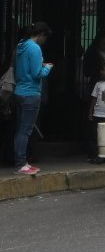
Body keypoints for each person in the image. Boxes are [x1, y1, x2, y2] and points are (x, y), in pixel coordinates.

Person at [13, 22, 53, 175]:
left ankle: (21, 162)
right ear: (41, 34)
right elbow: (37, 74)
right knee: (25, 131)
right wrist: (47, 67)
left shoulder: (21, 45)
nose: (45, 41)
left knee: (20, 130)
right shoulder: (35, 48)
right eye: (45, 37)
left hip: (19, 91)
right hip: (31, 93)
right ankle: (21, 164)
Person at [86, 61, 105, 164]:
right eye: (101, 70)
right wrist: (91, 111)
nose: (101, 72)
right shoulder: (98, 84)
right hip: (98, 114)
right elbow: (94, 98)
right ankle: (95, 155)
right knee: (95, 135)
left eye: (104, 69)